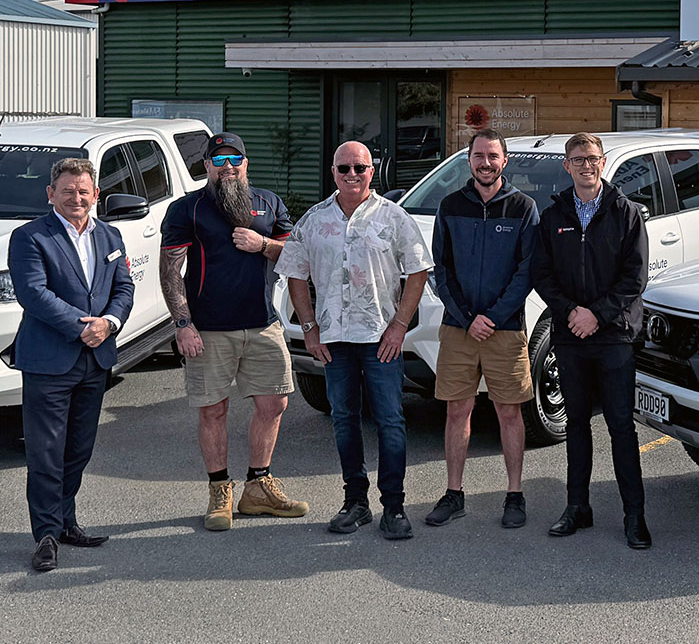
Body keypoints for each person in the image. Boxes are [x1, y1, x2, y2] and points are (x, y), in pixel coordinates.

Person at [277, 140, 434, 540]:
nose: (352, 175)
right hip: (333, 340)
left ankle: (394, 507)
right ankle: (355, 502)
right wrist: (309, 328)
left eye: (360, 168)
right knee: (344, 420)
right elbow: (295, 272)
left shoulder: (394, 218)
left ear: (372, 171)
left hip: (381, 339)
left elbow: (418, 271)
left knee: (390, 421)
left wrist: (400, 325)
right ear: (333, 172)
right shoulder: (313, 220)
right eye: (344, 168)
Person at [159, 132, 305, 532]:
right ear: (206, 166)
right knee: (213, 410)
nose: (227, 167)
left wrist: (262, 244)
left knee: (275, 404)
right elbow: (170, 270)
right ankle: (219, 489)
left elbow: (295, 254)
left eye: (234, 159)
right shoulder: (186, 209)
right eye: (218, 160)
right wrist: (183, 324)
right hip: (207, 329)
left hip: (263, 323)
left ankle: (258, 486)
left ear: (245, 163)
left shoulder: (268, 203)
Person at [8, 157, 135, 573]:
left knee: (78, 449)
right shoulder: (29, 237)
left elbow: (124, 286)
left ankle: (65, 522)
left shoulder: (110, 235)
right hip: (50, 359)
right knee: (47, 452)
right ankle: (45, 534)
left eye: (84, 191)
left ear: (95, 194)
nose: (76, 198)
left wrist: (110, 323)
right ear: (51, 194)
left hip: (95, 360)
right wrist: (82, 328)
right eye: (67, 191)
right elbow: (33, 292)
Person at [532, 132, 653, 549]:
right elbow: (542, 274)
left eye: (593, 158)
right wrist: (570, 313)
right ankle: (577, 507)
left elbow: (635, 277)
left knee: (621, 426)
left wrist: (596, 315)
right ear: (567, 166)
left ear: (603, 163)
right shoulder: (554, 215)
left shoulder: (625, 212)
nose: (586, 165)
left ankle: (634, 516)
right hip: (571, 337)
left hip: (614, 336)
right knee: (576, 426)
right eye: (578, 159)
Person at [423, 130, 539, 530]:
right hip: (459, 328)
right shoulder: (451, 205)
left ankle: (514, 494)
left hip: (505, 330)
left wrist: (493, 315)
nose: (485, 162)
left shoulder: (524, 208)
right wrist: (467, 316)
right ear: (468, 161)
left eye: (492, 156)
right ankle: (454, 495)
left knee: (509, 411)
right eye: (478, 156)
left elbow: (528, 271)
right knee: (458, 410)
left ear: (505, 161)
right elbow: (442, 268)